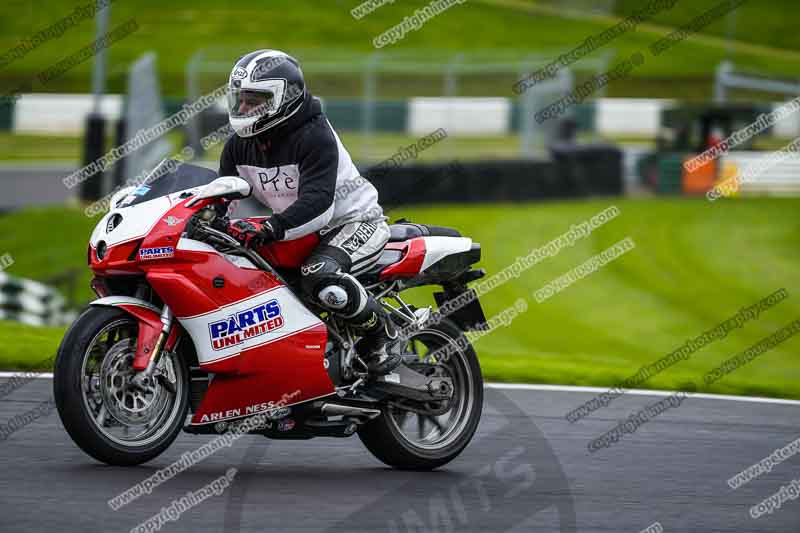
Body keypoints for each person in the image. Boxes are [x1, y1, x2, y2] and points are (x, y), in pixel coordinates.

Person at [219, 49, 401, 375]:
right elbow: (222, 196)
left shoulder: (315, 135)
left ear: (282, 99)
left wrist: (271, 227)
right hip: (299, 229)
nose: (243, 109)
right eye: (240, 99)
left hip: (353, 221)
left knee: (319, 276)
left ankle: (382, 334)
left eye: (254, 100)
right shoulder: (237, 145)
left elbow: (319, 204)